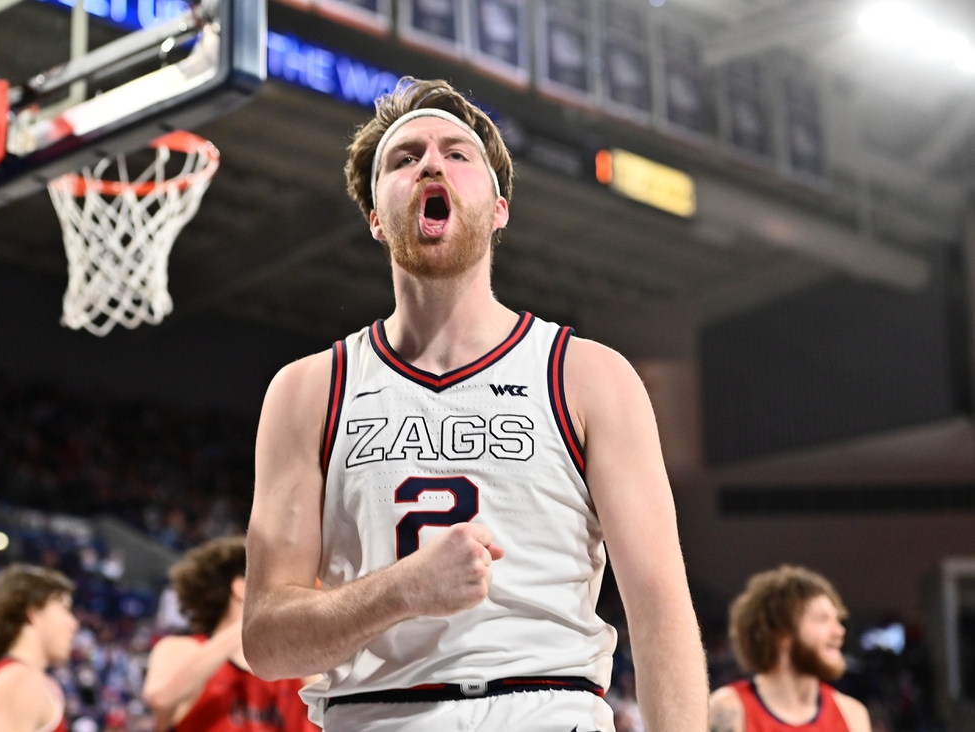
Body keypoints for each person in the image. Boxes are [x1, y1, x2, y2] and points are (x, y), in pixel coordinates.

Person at [242, 76, 708, 731]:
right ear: (376, 215)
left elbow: (660, 610)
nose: (431, 161)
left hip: (545, 709)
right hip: (374, 715)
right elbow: (266, 641)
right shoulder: (308, 390)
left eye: (458, 154)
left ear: (498, 208)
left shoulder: (589, 375)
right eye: (403, 159)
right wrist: (401, 592)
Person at [142, 535, 317, 732]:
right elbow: (160, 697)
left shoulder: (294, 668)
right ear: (241, 588)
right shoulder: (183, 648)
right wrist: (252, 621)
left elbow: (339, 713)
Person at [708, 565, 871, 732]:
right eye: (822, 619)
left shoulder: (852, 714)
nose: (839, 631)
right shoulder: (729, 709)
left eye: (837, 620)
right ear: (782, 632)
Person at [0, 564, 79, 732]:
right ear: (33, 613)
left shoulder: (20, 678)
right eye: (65, 609)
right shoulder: (19, 681)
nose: (74, 624)